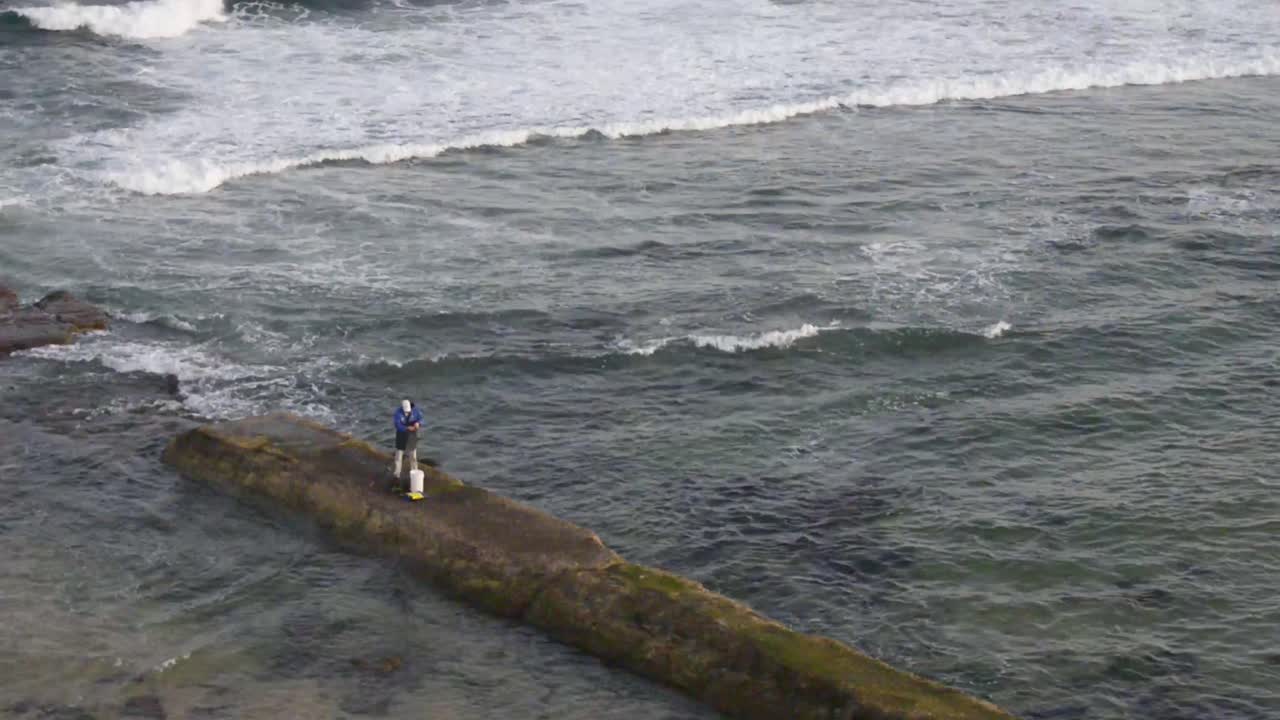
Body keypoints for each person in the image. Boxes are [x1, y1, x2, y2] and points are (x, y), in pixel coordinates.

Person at [392, 398, 424, 481]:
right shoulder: (397, 413)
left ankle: (414, 472)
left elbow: (421, 419)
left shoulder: (416, 411)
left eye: (408, 411)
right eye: (406, 411)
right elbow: (398, 425)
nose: (407, 413)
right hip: (401, 435)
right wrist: (407, 428)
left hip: (412, 435)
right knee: (399, 456)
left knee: (413, 455)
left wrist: (418, 423)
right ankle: (397, 474)